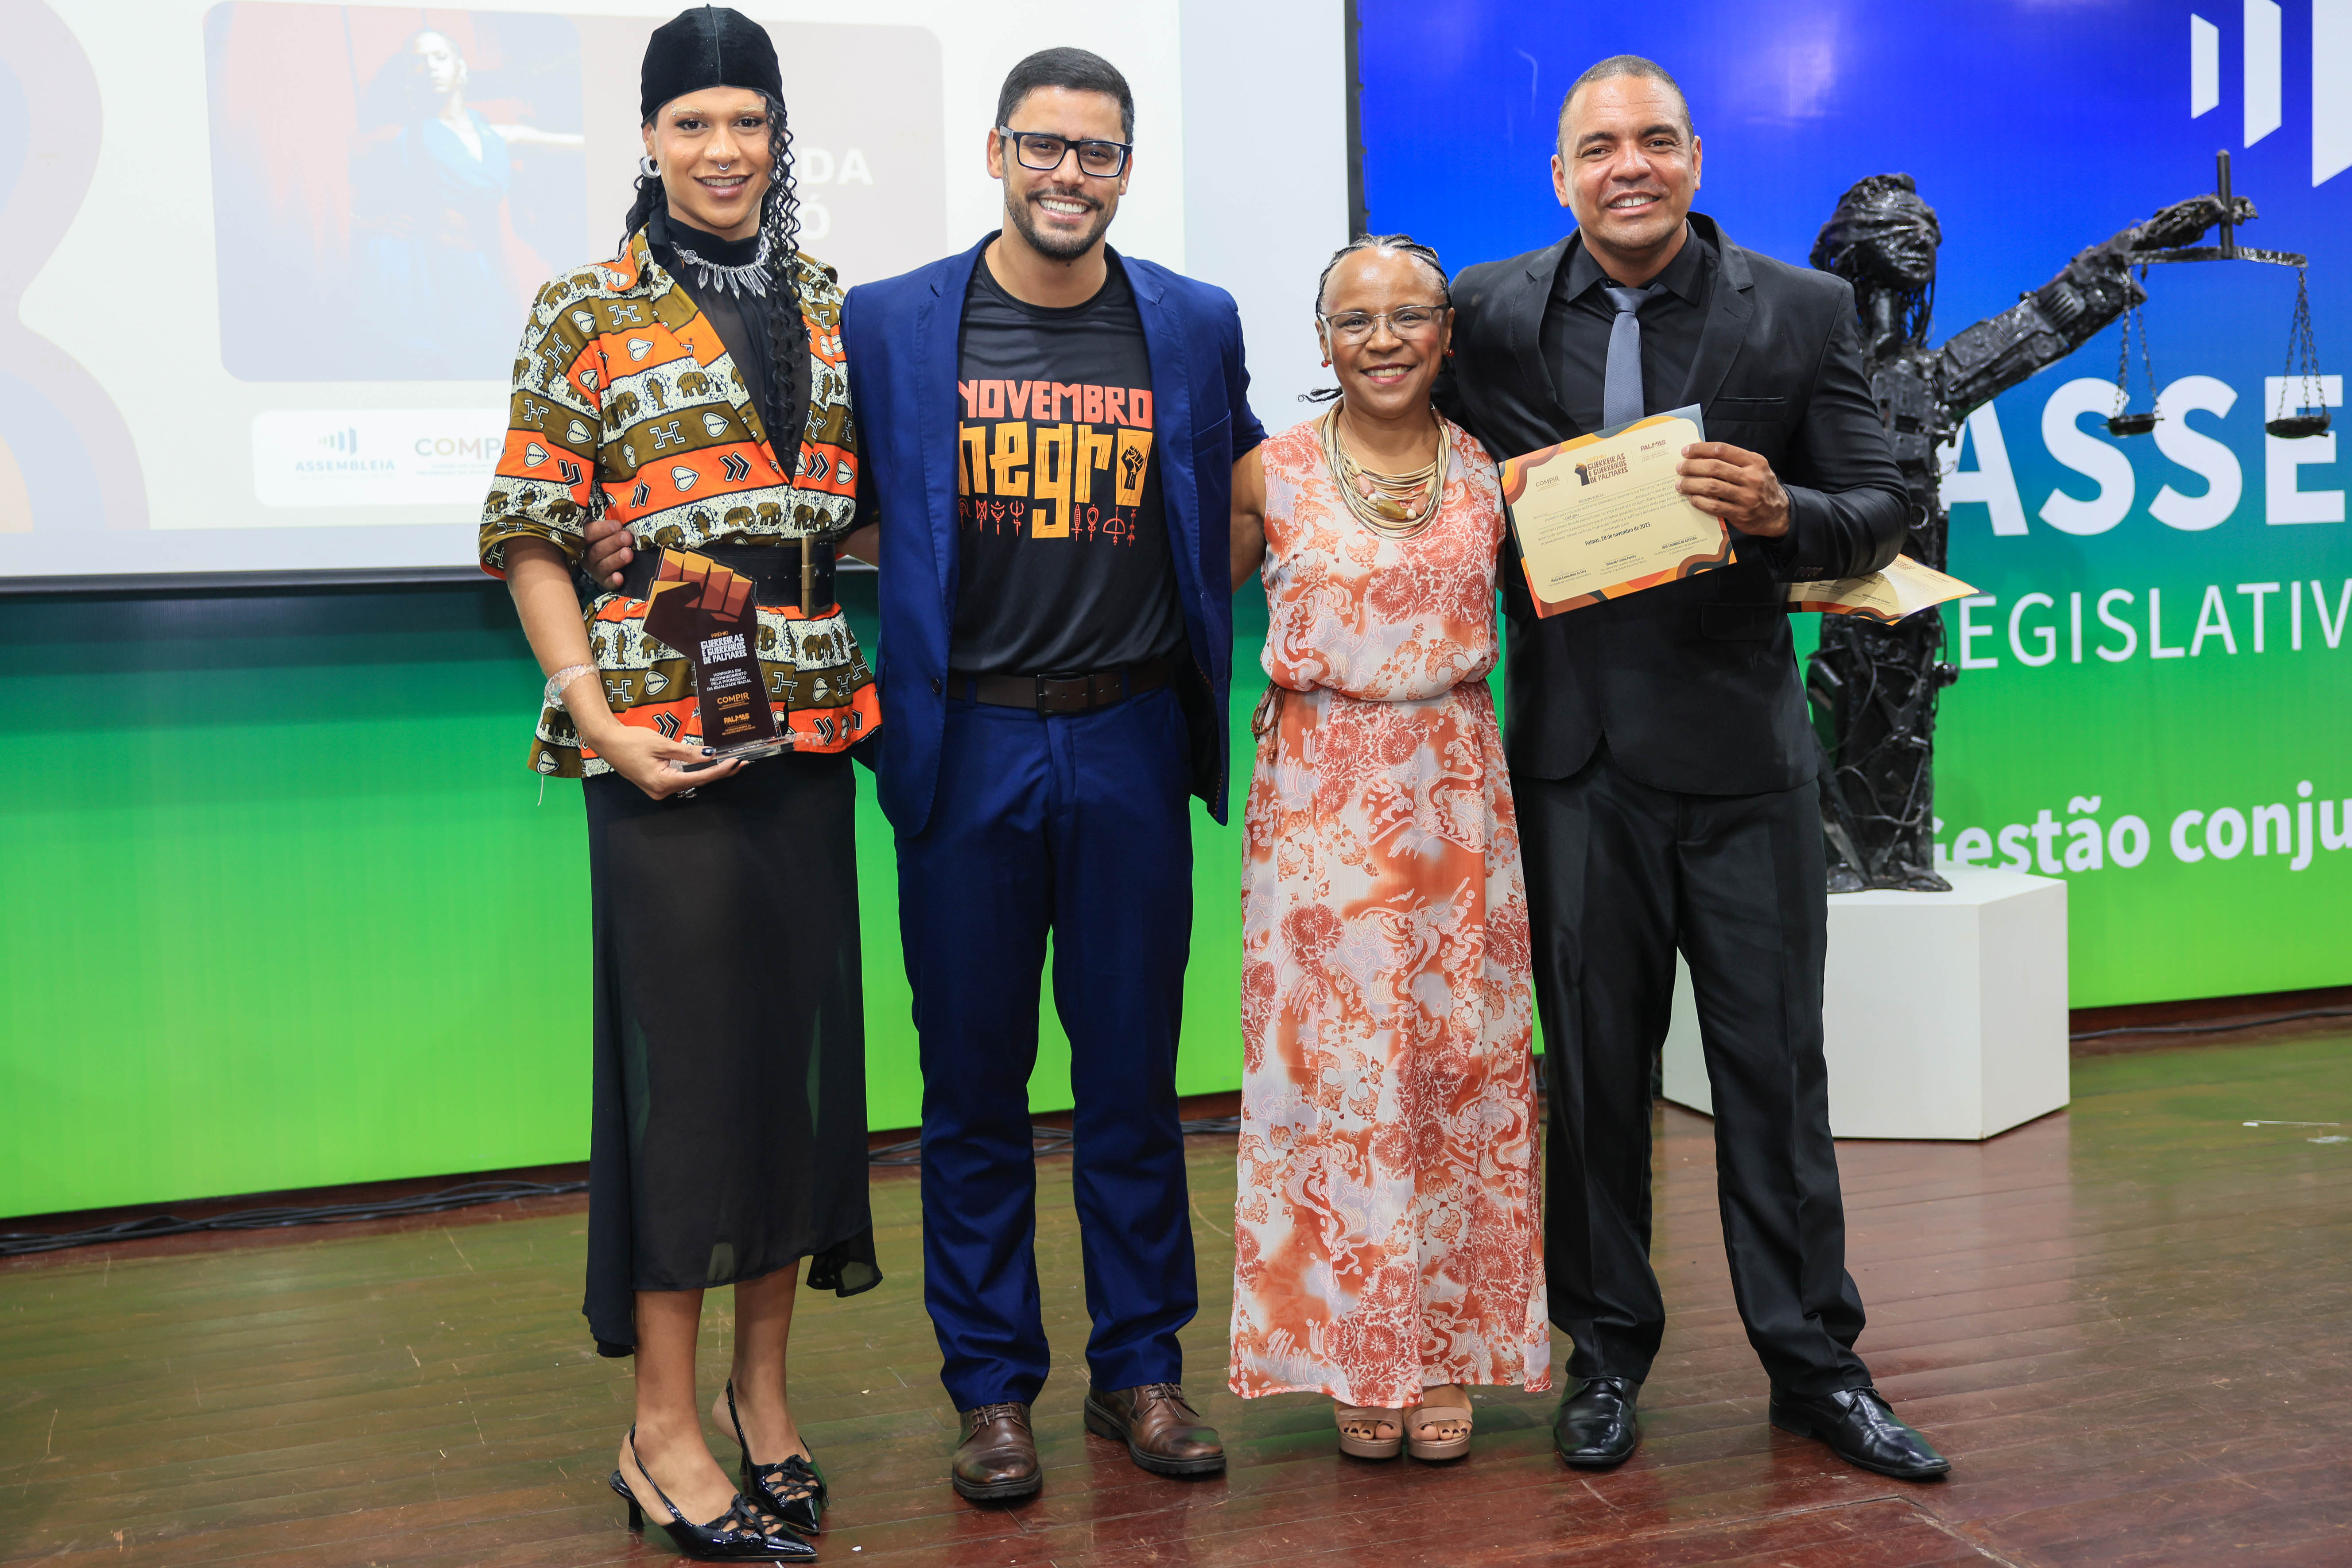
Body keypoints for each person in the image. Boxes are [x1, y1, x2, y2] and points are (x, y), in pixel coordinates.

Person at [1441, 55, 1952, 1481]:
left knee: (1774, 1076)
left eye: (1656, 140)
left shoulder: (1800, 308)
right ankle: (1603, 1357)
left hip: (1741, 766)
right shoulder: (1485, 309)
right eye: (1599, 145)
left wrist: (1781, 505)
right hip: (1573, 765)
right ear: (1561, 174)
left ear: (1697, 156)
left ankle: (1815, 1364)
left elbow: (1882, 509)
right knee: (1594, 1084)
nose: (1630, 166)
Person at [802, 46, 1256, 1503]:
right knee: (973, 1087)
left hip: (1128, 738)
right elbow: (823, 507)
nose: (1071, 176)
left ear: (1128, 168)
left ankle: (1141, 1371)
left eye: (1100, 154)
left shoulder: (1192, 323)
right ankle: (992, 1389)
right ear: (998, 151)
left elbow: (1242, 495)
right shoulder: (891, 322)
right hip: (969, 744)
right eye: (1045, 148)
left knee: (1132, 1081)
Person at [480, 8, 882, 1558]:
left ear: (782, 141)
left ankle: (761, 1402)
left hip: (808, 729)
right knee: (688, 1084)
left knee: (794, 1071)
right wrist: (593, 716)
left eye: (750, 124)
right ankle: (659, 1428)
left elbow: (850, 519)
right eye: (693, 124)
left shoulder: (832, 306)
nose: (724, 152)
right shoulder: (583, 305)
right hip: (656, 734)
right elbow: (530, 525)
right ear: (649, 140)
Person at [1226, 237, 1547, 1462]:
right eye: (1356, 321)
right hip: (1319, 798)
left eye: (1411, 316)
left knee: (1457, 1071)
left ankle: (1451, 1350)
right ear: (1321, 342)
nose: (1385, 339)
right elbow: (1190, 606)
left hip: (1457, 800)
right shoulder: (1269, 476)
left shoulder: (1494, 478)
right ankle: (1360, 1355)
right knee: (1339, 1083)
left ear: (1447, 335)